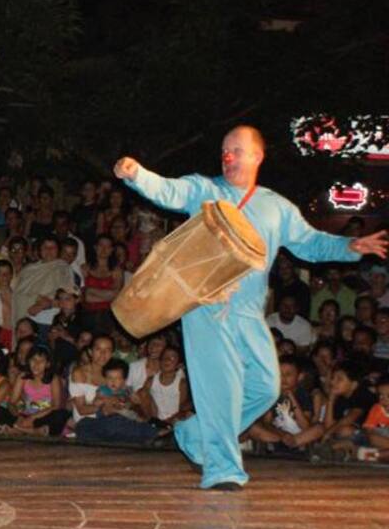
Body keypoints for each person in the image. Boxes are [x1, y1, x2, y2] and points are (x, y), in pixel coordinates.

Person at [114, 126, 387, 489]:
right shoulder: (206, 191)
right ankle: (223, 470)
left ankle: (194, 435)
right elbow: (170, 190)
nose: (229, 157)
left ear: (257, 156)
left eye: (237, 151)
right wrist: (137, 174)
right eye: (225, 150)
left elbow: (309, 243)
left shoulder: (275, 206)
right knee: (221, 388)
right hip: (207, 307)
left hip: (249, 313)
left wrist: (350, 247)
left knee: (266, 385)